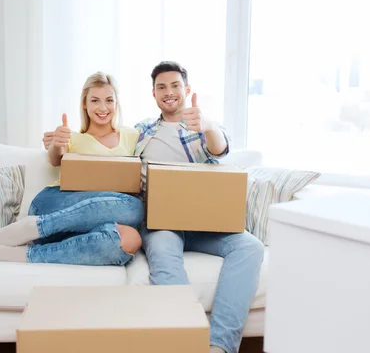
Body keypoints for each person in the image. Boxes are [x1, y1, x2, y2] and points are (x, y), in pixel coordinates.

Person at [43, 61, 264, 353]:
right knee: (162, 253)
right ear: (154, 93)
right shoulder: (141, 131)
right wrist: (57, 144)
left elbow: (220, 147)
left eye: (175, 86)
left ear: (186, 90)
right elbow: (104, 152)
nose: (168, 92)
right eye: (162, 87)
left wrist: (208, 126)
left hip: (205, 221)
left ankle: (219, 346)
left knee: (250, 247)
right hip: (161, 221)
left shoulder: (203, 126)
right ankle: (188, 341)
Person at [0, 71, 144, 266]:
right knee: (134, 208)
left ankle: (26, 255)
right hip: (54, 204)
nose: (103, 107)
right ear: (85, 104)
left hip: (89, 223)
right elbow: (56, 158)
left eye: (109, 100)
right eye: (95, 100)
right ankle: (36, 226)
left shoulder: (131, 135)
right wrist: (56, 143)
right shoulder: (71, 137)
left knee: (130, 239)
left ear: (116, 104)